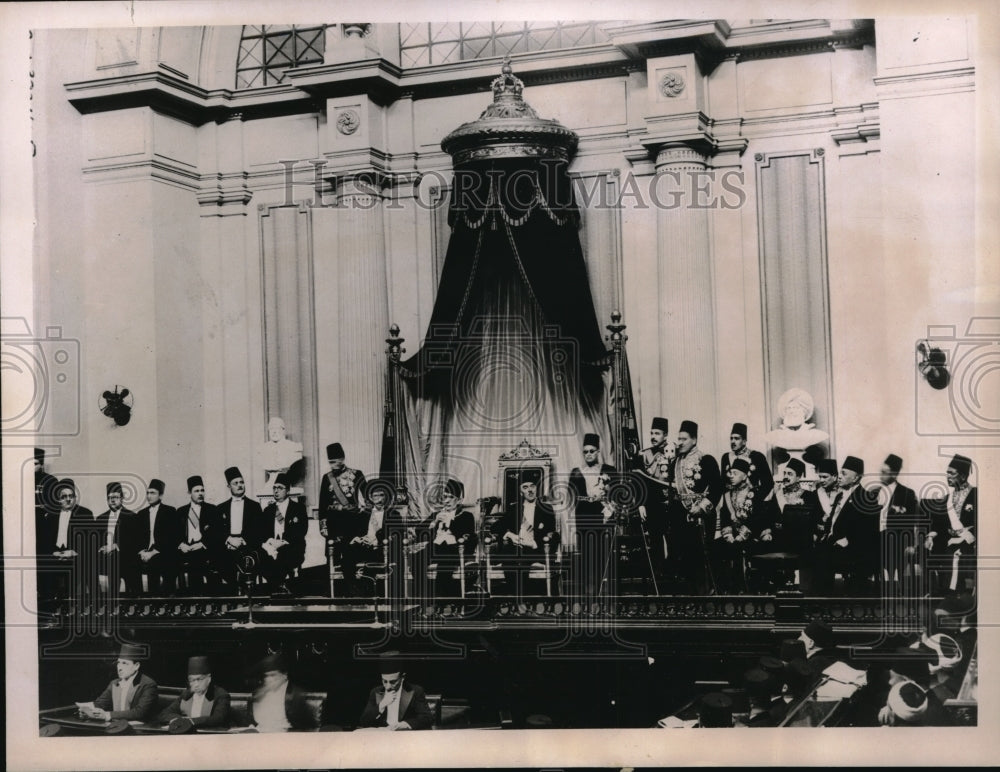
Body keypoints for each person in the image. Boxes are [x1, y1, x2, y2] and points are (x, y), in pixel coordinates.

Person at [667, 420, 722, 593]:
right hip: (678, 517)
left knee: (699, 556)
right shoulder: (674, 463)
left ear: (694, 440)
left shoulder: (707, 460)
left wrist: (702, 508)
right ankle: (685, 597)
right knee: (680, 556)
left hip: (700, 516)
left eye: (684, 439)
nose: (680, 442)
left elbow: (717, 488)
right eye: (678, 439)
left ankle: (704, 595)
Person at [813, 456, 880, 595]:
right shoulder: (840, 496)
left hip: (856, 548)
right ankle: (820, 600)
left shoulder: (867, 497)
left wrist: (846, 540)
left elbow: (869, 530)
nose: (839, 477)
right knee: (815, 552)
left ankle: (823, 600)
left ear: (856, 478)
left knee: (823, 557)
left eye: (844, 474)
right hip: (836, 542)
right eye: (840, 473)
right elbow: (834, 521)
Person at [713, 457, 779, 592]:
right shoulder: (727, 494)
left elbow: (758, 519)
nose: (731, 476)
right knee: (715, 546)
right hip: (732, 534)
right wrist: (728, 534)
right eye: (730, 473)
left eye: (735, 473)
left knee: (742, 548)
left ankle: (748, 588)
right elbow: (725, 516)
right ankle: (723, 588)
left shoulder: (754, 493)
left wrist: (742, 535)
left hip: (751, 535)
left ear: (744, 476)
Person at [491, 473, 559, 597]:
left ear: (536, 489)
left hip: (536, 549)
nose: (530, 490)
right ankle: (517, 599)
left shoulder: (546, 508)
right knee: (510, 558)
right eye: (525, 487)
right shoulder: (514, 509)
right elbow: (495, 526)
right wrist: (510, 534)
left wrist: (534, 543)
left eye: (532, 486)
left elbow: (552, 532)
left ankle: (524, 599)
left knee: (520, 560)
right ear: (521, 492)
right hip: (516, 548)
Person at [569, 433, 618, 596]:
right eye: (586, 452)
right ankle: (588, 592)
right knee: (586, 553)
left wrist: (609, 504)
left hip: (603, 515)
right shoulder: (576, 472)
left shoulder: (609, 470)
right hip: (583, 516)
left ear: (598, 451)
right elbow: (571, 496)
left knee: (602, 552)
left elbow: (617, 494)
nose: (588, 454)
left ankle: (604, 591)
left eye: (592, 451)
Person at [414, 478, 477, 597]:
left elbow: (467, 536)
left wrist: (450, 522)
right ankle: (424, 596)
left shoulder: (466, 516)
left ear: (459, 500)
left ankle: (443, 602)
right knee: (415, 560)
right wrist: (434, 520)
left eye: (450, 497)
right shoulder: (436, 514)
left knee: (444, 566)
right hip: (436, 547)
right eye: (444, 497)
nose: (446, 501)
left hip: (454, 549)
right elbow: (419, 531)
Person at [925, 454, 976, 596]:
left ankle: (954, 595)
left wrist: (968, 534)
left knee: (955, 553)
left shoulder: (976, 494)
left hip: (969, 540)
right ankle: (937, 591)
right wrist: (930, 536)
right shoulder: (946, 498)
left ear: (963, 476)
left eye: (952, 473)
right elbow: (938, 524)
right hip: (948, 537)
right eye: (947, 473)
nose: (948, 477)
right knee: (932, 548)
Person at [773, 458, 823, 592]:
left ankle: (805, 590)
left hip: (802, 539)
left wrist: (814, 534)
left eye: (790, 474)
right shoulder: (777, 495)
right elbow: (771, 515)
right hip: (780, 537)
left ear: (799, 477)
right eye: (784, 474)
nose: (786, 477)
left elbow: (817, 518)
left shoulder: (809, 496)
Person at [212, 466, 265, 591]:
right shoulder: (220, 508)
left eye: (242, 482)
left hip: (247, 545)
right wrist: (228, 539)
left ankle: (245, 592)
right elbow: (217, 530)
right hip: (228, 545)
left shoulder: (254, 506)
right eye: (235, 483)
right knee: (217, 557)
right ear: (229, 486)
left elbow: (258, 530)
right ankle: (233, 590)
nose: (240, 485)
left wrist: (242, 541)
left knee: (251, 559)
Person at [318, 442, 367, 573]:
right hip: (333, 524)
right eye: (330, 462)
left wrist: (362, 511)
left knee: (351, 558)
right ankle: (333, 590)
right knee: (332, 559)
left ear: (342, 459)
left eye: (335, 461)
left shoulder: (357, 474)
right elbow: (322, 505)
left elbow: (369, 499)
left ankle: (351, 590)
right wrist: (323, 527)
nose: (332, 465)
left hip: (352, 524)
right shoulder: (327, 478)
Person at [255, 473, 308, 594]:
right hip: (272, 546)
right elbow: (262, 531)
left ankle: (277, 587)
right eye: (274, 488)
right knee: (260, 557)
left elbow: (301, 530)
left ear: (288, 491)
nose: (276, 491)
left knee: (285, 556)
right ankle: (280, 585)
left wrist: (283, 542)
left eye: (280, 488)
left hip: (291, 546)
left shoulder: (298, 508)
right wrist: (270, 541)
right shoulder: (268, 510)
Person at [37, 477, 88, 603]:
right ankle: (50, 606)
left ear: (75, 497)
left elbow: (88, 540)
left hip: (74, 555)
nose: (68, 499)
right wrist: (53, 553)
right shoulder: (51, 515)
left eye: (71, 495)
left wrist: (74, 552)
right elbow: (45, 540)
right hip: (55, 554)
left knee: (77, 567)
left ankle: (72, 608)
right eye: (64, 496)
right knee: (44, 567)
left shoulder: (85, 513)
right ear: (59, 499)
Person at [873, 454, 918, 594]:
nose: (881, 476)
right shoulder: (874, 492)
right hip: (876, 535)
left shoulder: (906, 493)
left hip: (897, 537)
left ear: (895, 474)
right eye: (880, 472)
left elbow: (912, 520)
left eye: (884, 473)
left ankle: (895, 587)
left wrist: (910, 543)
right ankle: (877, 587)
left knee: (893, 549)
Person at [82, 643, 159, 723]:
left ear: (136, 666)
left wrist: (107, 715)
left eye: (124, 663)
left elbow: (139, 712)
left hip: (140, 730)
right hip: (117, 726)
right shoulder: (114, 683)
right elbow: (100, 704)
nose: (120, 667)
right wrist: (87, 710)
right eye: (118, 663)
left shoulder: (148, 684)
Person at [126, 479, 177, 595]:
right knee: (131, 563)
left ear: (161, 495)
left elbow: (170, 537)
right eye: (147, 493)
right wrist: (141, 551)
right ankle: (138, 599)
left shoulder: (170, 511)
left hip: (162, 551)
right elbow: (136, 537)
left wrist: (153, 552)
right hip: (144, 551)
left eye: (152, 493)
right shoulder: (141, 514)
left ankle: (157, 601)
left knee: (156, 563)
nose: (149, 496)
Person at [357, 655, 434, 730]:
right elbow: (364, 721)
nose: (388, 686)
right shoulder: (376, 692)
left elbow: (427, 718)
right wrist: (382, 705)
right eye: (384, 681)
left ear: (402, 677)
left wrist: (405, 724)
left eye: (393, 682)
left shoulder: (416, 691)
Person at [157, 655, 231, 731]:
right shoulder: (186, 695)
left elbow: (218, 719)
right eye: (192, 680)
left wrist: (190, 721)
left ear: (209, 678)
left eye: (199, 679)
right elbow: (164, 714)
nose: (195, 684)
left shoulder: (221, 695)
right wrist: (181, 720)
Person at [172, 475, 218, 594]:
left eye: (202, 490)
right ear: (189, 492)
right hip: (186, 548)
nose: (200, 493)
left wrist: (202, 544)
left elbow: (215, 533)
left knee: (198, 559)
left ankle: (202, 595)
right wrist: (181, 544)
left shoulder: (212, 509)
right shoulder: (181, 511)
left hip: (203, 548)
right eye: (196, 491)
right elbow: (175, 532)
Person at [247, 654, 316, 732]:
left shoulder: (295, 695)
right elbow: (251, 721)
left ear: (284, 675)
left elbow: (307, 726)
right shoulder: (258, 694)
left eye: (273, 675)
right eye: (266, 676)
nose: (269, 679)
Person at [95, 482, 136, 598]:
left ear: (122, 499)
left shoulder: (131, 516)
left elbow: (133, 541)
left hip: (124, 557)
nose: (112, 500)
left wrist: (116, 546)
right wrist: (101, 547)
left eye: (115, 497)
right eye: (109, 498)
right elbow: (96, 540)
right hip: (103, 557)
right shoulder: (100, 518)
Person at [720, 423, 773, 502]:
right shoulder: (726, 457)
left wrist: (753, 500)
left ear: (744, 441)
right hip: (730, 504)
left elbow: (768, 483)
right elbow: (723, 484)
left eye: (736, 438)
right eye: (731, 438)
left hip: (750, 503)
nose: (733, 441)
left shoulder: (757, 457)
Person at [255, 416, 304, 496]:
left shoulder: (294, 447)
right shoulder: (262, 449)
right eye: (271, 428)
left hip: (285, 483)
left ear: (283, 430)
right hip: (269, 486)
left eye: (277, 428)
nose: (274, 431)